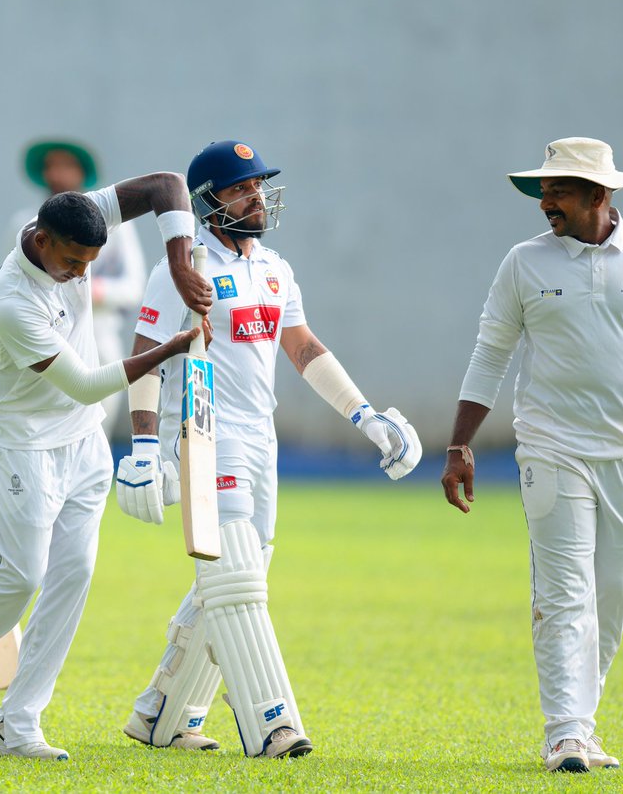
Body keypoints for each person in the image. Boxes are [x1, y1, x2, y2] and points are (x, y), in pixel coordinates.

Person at [114, 140, 423, 759]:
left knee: (236, 579)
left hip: (261, 436)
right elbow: (144, 356)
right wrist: (144, 445)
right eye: (241, 187)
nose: (257, 195)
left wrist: (365, 416)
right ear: (207, 203)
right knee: (235, 580)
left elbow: (303, 347)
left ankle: (162, 714)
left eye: (259, 185)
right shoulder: (182, 267)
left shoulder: (275, 267)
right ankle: (272, 724)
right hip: (205, 432)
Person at [0, 174, 211, 761]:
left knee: (72, 578)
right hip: (25, 446)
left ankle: (18, 724)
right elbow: (88, 385)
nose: (81, 274)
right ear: (41, 242)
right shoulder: (10, 301)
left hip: (84, 445)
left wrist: (180, 262)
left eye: (91, 262)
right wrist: (171, 347)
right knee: (21, 576)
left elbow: (167, 185)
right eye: (72, 262)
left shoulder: (78, 218)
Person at [440, 137, 623, 773]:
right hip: (550, 449)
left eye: (558, 189)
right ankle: (565, 732)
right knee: (565, 594)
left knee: (610, 598)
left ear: (599, 194)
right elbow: (490, 356)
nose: (544, 201)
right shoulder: (523, 263)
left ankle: (581, 725)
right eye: (543, 189)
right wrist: (458, 445)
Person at [19, 139, 148, 438]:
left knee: (94, 437)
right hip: (45, 338)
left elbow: (133, 287)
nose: (57, 174)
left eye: (66, 166)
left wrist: (87, 287)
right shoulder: (24, 225)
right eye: (51, 166)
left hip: (98, 336)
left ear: (81, 173)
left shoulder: (115, 227)